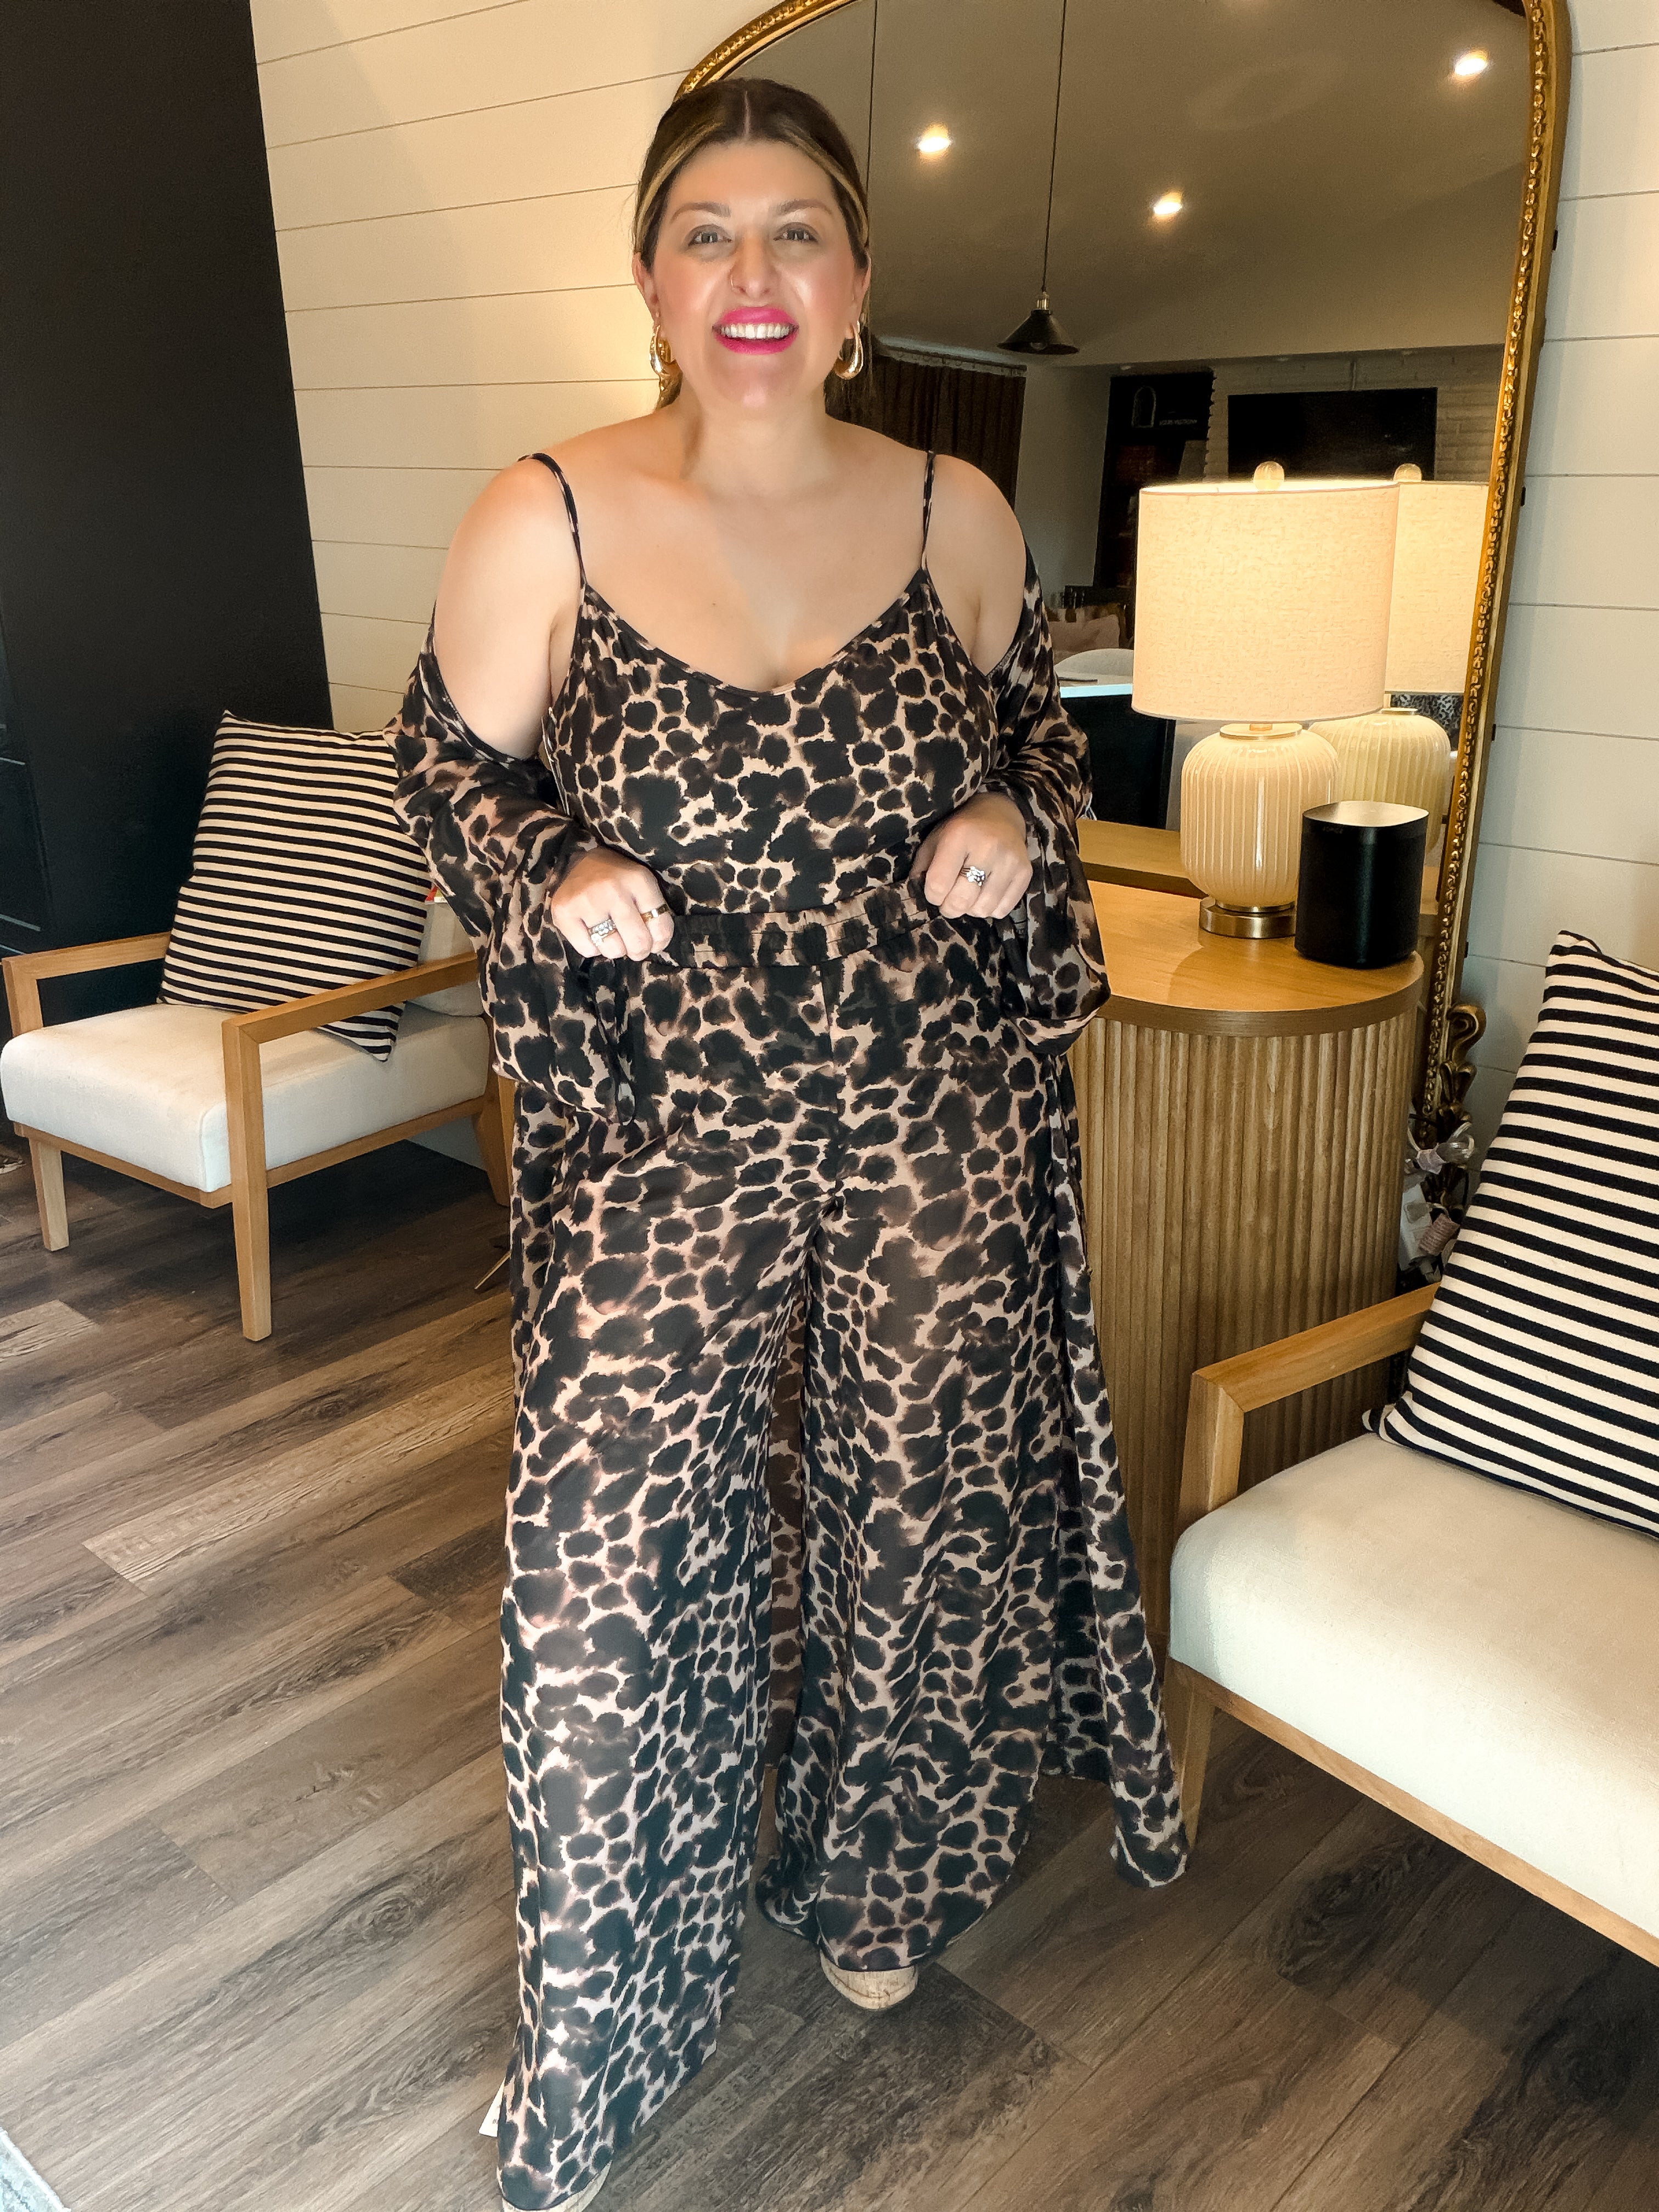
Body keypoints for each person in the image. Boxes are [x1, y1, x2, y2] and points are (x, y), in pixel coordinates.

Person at [390, 75, 1186, 2212]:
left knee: (912, 1512)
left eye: (798, 231)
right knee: (612, 1562)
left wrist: (1014, 811)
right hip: (663, 1135)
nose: (754, 272)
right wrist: (548, 862)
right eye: (708, 233)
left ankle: (873, 1879)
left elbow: (1039, 732)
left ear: (856, 285)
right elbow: (446, 760)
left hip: (929, 1114)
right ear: (654, 285)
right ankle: (612, 2013)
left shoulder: (957, 513)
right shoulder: (545, 516)